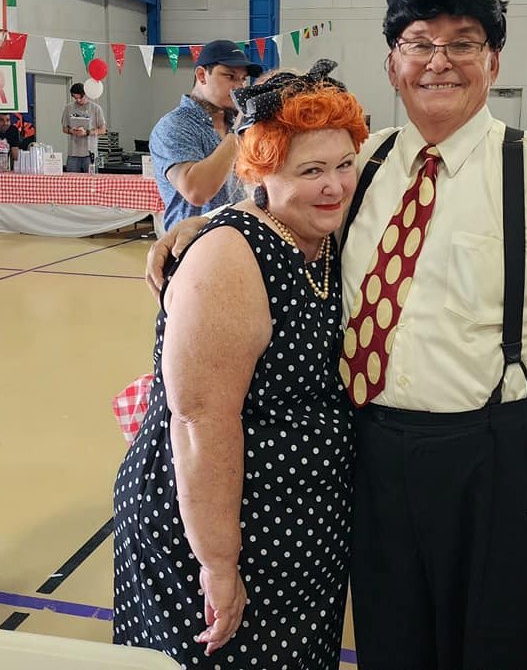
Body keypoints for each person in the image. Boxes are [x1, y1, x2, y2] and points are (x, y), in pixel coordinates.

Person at [149, 0, 527, 670]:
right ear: (392, 64)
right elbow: (287, 205)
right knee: (393, 651)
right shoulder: (368, 166)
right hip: (377, 461)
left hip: (503, 463)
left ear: (493, 61)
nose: (438, 61)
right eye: (418, 42)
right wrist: (202, 228)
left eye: (463, 42)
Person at [114, 67, 369, 669]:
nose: (333, 185)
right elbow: (200, 422)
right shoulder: (230, 257)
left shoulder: (322, 237)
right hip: (220, 535)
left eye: (343, 164)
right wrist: (218, 563)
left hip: (296, 534)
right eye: (309, 170)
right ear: (260, 172)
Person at [150, 40, 262, 230]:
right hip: (194, 241)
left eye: (243, 79)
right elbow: (196, 191)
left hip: (239, 235)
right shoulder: (174, 125)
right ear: (202, 75)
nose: (239, 87)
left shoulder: (235, 124)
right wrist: (236, 134)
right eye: (230, 76)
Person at [61, 82, 106, 172]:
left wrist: (87, 132)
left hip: (90, 153)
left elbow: (103, 130)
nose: (78, 100)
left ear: (86, 94)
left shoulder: (96, 108)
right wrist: (72, 131)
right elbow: (64, 128)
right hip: (73, 153)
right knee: (72, 179)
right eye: (75, 98)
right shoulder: (68, 108)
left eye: (80, 98)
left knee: (91, 179)